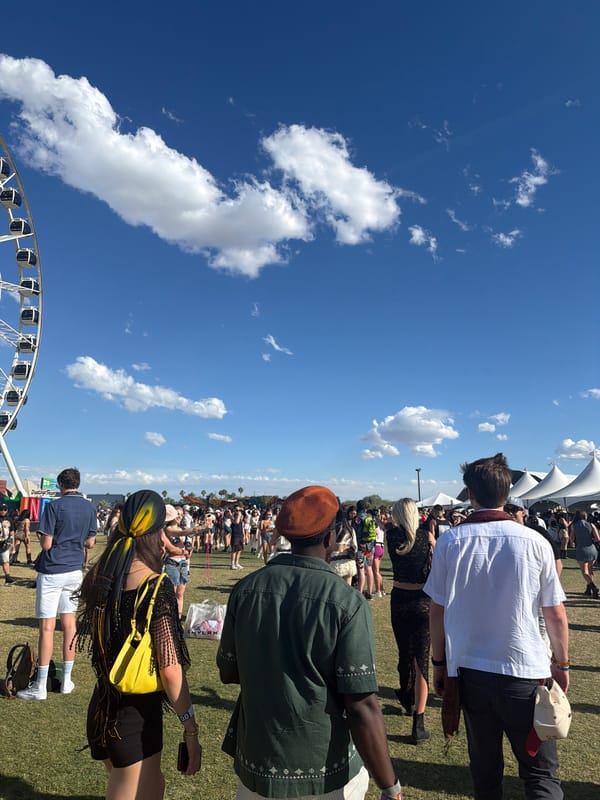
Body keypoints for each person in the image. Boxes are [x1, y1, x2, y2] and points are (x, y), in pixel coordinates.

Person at [217, 485, 402, 800]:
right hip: (322, 769)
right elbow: (361, 705)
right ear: (330, 538)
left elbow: (228, 671)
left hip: (257, 763)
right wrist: (391, 787)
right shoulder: (347, 601)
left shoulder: (245, 589)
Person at [425, 453, 569, 800]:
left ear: (470, 494)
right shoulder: (534, 541)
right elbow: (555, 613)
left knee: (486, 771)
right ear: (507, 493)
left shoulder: (450, 541)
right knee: (540, 774)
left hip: (471, 671)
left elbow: (436, 610)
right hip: (525, 670)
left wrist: (439, 663)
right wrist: (562, 663)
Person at [76, 490, 200, 799]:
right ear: (158, 532)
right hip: (133, 720)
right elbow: (171, 670)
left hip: (102, 707)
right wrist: (190, 728)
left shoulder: (102, 575)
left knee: (155, 786)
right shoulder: (156, 586)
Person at [17, 468, 97, 700]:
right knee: (70, 625)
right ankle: (67, 681)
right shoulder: (89, 508)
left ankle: (40, 686)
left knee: (47, 627)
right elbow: (91, 543)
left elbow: (46, 545)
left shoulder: (54, 507)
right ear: (78, 483)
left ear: (61, 484)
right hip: (74, 570)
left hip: (53, 570)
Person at [386, 498, 434, 744]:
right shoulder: (427, 537)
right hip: (423, 601)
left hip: (400, 599)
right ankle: (419, 721)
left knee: (404, 653)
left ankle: (406, 694)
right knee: (421, 660)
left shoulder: (392, 536)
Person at [162, 504, 191, 618]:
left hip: (183, 563)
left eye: (181, 515)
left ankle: (178, 619)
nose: (180, 517)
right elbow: (181, 533)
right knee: (171, 594)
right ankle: (170, 618)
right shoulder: (169, 529)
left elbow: (186, 542)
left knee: (180, 594)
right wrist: (201, 528)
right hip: (172, 562)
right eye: (177, 514)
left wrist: (189, 549)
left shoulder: (181, 529)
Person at [568, 510, 600, 597]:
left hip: (581, 549)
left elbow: (571, 538)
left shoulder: (574, 525)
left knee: (584, 571)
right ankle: (588, 589)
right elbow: (598, 538)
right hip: (592, 549)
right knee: (590, 570)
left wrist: (572, 543)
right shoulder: (591, 525)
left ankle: (593, 587)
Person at [328, 504, 358, 585]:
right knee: (348, 587)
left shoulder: (333, 530)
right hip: (348, 560)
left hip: (335, 561)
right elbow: (355, 546)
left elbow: (329, 546)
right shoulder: (351, 529)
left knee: (336, 587)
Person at [0, 503, 15, 584]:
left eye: (5, 509)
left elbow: (12, 532)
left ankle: (8, 578)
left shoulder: (9, 519)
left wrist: (13, 545)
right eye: (1, 509)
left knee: (5, 560)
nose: (3, 511)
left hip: (5, 543)